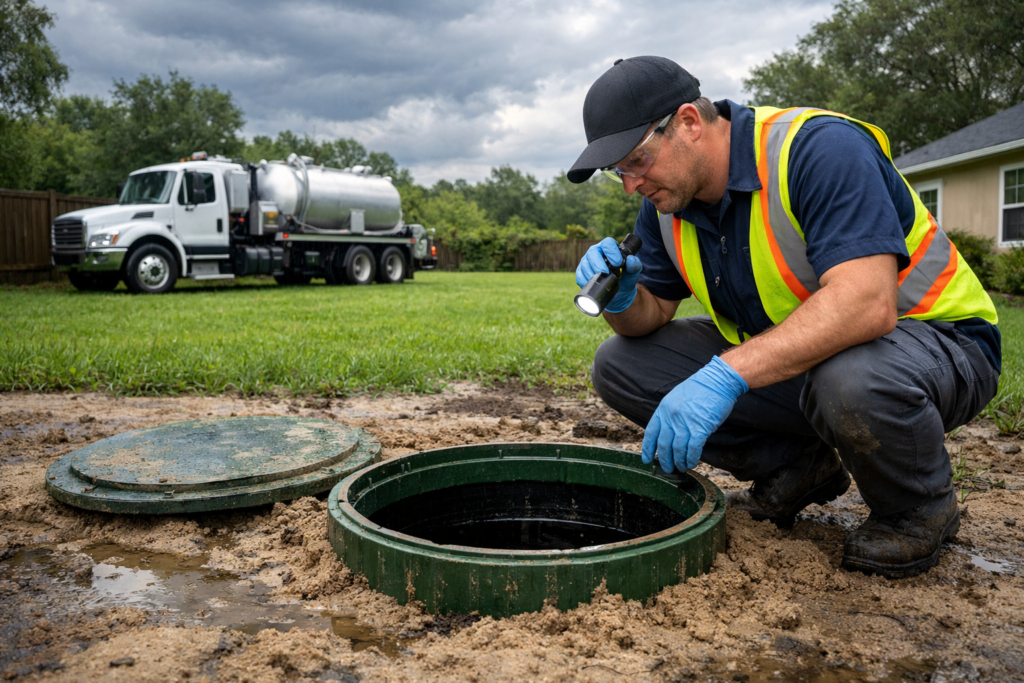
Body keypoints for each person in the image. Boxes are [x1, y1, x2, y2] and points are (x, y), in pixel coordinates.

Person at [567, 56, 1000, 578]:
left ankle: (917, 508)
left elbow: (867, 303)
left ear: (689, 122)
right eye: (619, 171)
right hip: (814, 364)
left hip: (939, 345)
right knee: (620, 363)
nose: (630, 185)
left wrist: (725, 374)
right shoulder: (668, 204)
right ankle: (798, 468)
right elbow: (651, 314)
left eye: (637, 160)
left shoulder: (819, 150)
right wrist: (623, 301)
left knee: (850, 378)